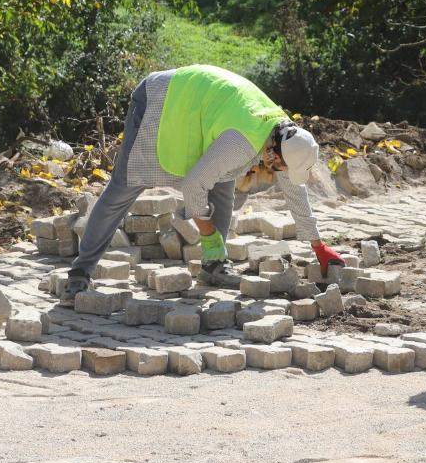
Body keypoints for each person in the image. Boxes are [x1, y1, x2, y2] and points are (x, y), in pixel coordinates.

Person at [59, 64, 344, 303]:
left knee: (223, 183)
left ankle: (213, 268)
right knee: (124, 187)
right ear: (274, 152)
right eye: (282, 167)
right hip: (159, 102)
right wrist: (209, 238)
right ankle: (79, 275)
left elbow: (294, 189)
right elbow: (193, 187)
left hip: (201, 113)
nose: (280, 172)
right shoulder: (243, 142)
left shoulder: (281, 133)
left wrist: (317, 245)